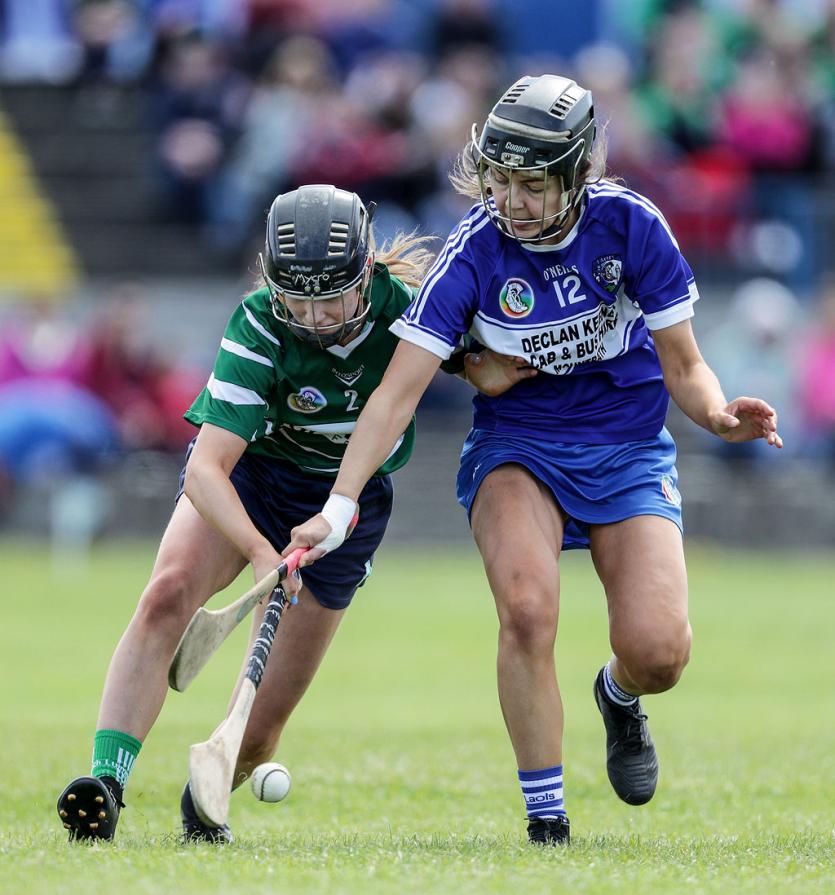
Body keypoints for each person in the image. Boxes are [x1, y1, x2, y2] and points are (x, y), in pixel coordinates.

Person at [285, 75, 783, 847]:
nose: (510, 201)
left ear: (576, 174)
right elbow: (394, 395)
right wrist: (338, 505)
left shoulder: (631, 226)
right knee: (525, 610)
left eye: (531, 184)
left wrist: (717, 414)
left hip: (625, 449)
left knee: (658, 654)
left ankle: (617, 695)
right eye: (499, 180)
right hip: (516, 448)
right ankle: (546, 818)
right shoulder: (473, 250)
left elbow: (684, 365)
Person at [55, 184, 527, 843]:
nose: (314, 316)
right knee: (166, 594)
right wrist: (259, 551)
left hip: (350, 506)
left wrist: (486, 366)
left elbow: (471, 358)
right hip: (252, 478)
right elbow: (206, 469)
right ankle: (105, 784)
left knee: (259, 731)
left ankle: (204, 801)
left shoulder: (406, 310)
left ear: (365, 272)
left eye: (330, 296)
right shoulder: (259, 325)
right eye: (297, 299)